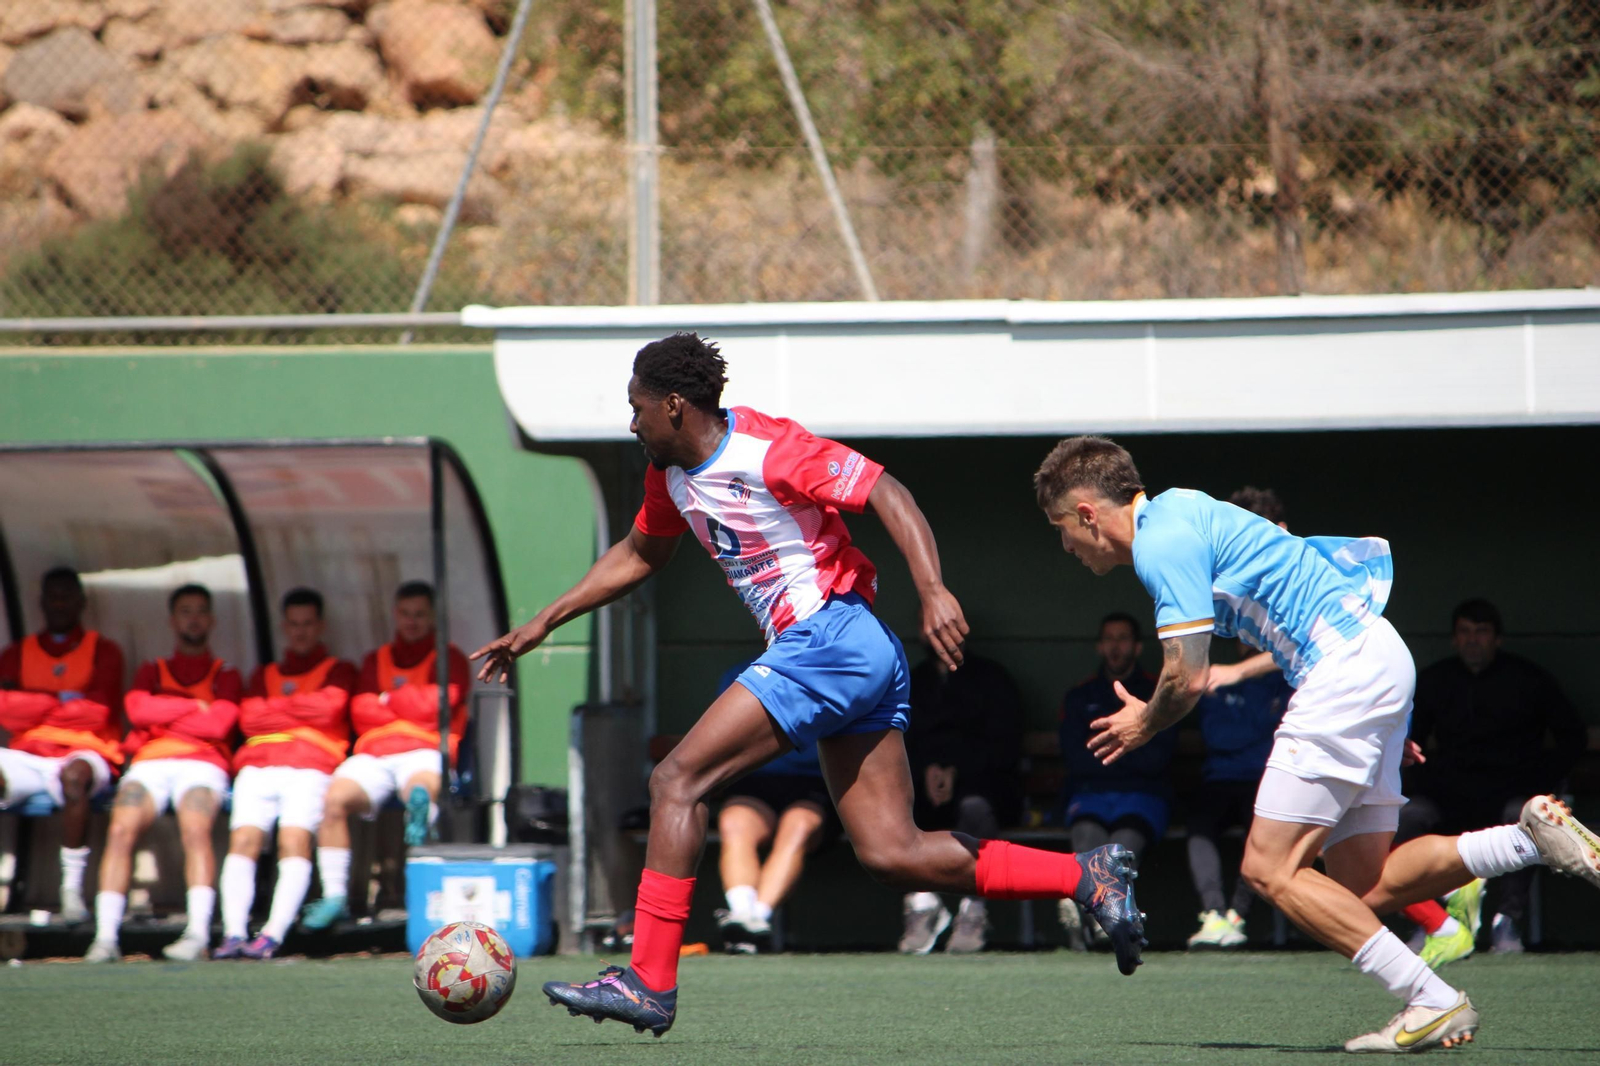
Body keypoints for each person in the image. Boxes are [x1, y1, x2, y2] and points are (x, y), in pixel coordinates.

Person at [473, 333, 1145, 1038]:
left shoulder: (768, 448)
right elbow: (642, 552)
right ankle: (1084, 875)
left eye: (637, 408)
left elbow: (888, 490)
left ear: (674, 406)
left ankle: (648, 980)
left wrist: (933, 589)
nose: (630, 421)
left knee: (677, 780)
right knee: (893, 854)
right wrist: (542, 623)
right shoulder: (666, 472)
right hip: (846, 655)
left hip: (832, 639)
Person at [1034, 435, 1600, 1053]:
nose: (1063, 545)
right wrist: (1383, 712)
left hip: (1344, 673)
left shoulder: (1159, 543)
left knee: (1267, 870)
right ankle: (1526, 839)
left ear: (1087, 514)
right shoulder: (1184, 510)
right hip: (1376, 658)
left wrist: (1144, 723)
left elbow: (1185, 676)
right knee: (1364, 884)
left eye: (1060, 528)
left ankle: (1432, 998)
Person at [1403, 598, 1588, 956]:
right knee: (1407, 817)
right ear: (1454, 639)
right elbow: (1411, 743)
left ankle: (1507, 922)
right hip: (1449, 797)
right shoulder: (1435, 680)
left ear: (1497, 639)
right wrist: (1428, 779)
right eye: (1465, 632)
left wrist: (1541, 780)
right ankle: (1429, 921)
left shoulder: (1528, 678)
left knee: (1530, 814)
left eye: (1482, 632)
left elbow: (1572, 735)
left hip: (1510, 792)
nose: (1473, 640)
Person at [301, 580, 469, 930]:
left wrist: (387, 700)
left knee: (421, 789)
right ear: (395, 615)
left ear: (433, 617)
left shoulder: (448, 657)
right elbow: (360, 711)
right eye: (406, 614)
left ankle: (421, 890)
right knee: (333, 800)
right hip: (376, 753)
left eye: (420, 614)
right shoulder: (375, 659)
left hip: (425, 747)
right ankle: (335, 897)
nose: (412, 621)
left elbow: (439, 707)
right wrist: (409, 702)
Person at [87, 583, 241, 962]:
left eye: (200, 611)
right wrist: (194, 711)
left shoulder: (226, 673)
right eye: (185, 611)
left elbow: (220, 724)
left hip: (203, 763)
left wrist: (164, 714)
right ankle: (105, 937)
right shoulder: (152, 669)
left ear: (212, 620)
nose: (193, 618)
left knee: (195, 827)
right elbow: (138, 711)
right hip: (151, 763)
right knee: (121, 828)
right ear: (173, 620)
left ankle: (197, 934)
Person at [216, 588, 356, 959]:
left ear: (320, 625)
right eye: (293, 624)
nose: (300, 632)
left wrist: (278, 712)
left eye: (308, 623)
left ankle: (272, 935)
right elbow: (249, 718)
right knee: (243, 841)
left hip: (310, 767)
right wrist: (301, 713)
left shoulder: (338, 670)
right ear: (283, 627)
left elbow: (331, 710)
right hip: (258, 766)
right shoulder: (265, 674)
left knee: (292, 841)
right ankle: (232, 934)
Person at [1185, 485, 1292, 950]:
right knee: (1201, 819)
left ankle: (1236, 916)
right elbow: (1218, 731)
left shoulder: (1296, 578)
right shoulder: (1221, 604)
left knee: (1281, 835)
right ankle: (1214, 914)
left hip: (1273, 774)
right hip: (1222, 777)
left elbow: (1300, 649)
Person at [0, 567, 126, 923]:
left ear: (81, 602)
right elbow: (5, 712)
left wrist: (34, 704)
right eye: (52, 596)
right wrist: (62, 700)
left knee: (75, 778)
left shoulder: (104, 650)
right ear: (40, 602)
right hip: (29, 755)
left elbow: (97, 712)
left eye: (66, 595)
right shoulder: (16, 653)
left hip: (86, 751)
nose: (59, 603)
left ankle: (70, 891)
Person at [1057, 613, 1173, 950]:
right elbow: (1075, 756)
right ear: (1099, 645)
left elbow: (1159, 756)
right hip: (1091, 794)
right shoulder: (1079, 697)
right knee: (1087, 837)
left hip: (1143, 794)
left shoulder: (1157, 692)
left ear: (1137, 647)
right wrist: (1125, 758)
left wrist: (1113, 760)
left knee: (1120, 849)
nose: (1115, 646)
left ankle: (1093, 912)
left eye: (1123, 638)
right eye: (1109, 638)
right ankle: (1102, 914)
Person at [900, 646, 1023, 954]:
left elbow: (1004, 745)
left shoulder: (990, 677)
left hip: (983, 787)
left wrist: (956, 771)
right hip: (926, 791)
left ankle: (974, 908)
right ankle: (923, 901)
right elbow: (899, 738)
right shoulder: (914, 679)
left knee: (975, 808)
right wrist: (926, 771)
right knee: (897, 808)